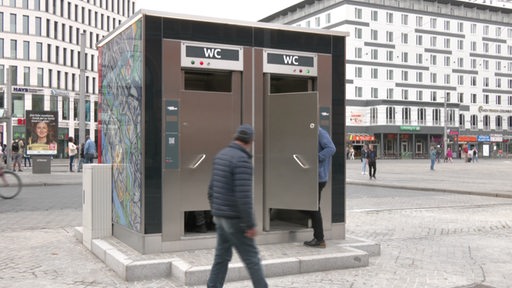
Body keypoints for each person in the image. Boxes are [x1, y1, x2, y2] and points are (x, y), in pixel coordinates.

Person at [207, 124, 267, 288]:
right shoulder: (242, 160)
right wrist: (250, 224)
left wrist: (216, 210)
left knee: (221, 257)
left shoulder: (221, 155)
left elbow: (211, 189)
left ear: (236, 137)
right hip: (235, 219)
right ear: (251, 141)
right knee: (252, 259)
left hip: (220, 217)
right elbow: (244, 196)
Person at [304, 127, 336, 248]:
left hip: (318, 177)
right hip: (311, 177)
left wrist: (316, 158)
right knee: (310, 206)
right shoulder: (309, 132)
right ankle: (319, 238)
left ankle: (319, 239)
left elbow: (331, 148)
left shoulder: (320, 132)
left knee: (313, 208)